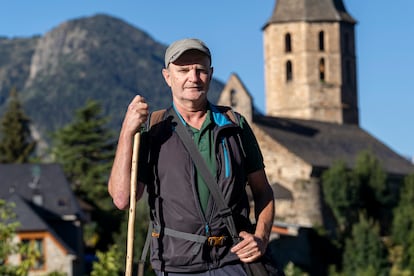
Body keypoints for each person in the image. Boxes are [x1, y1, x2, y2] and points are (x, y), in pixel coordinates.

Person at [108, 38, 275, 275]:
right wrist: (127, 130)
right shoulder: (153, 130)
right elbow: (122, 199)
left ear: (210, 73)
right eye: (183, 70)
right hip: (175, 265)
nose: (193, 78)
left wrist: (261, 236)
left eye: (200, 70)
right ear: (168, 76)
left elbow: (263, 191)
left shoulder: (234, 126)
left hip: (234, 262)